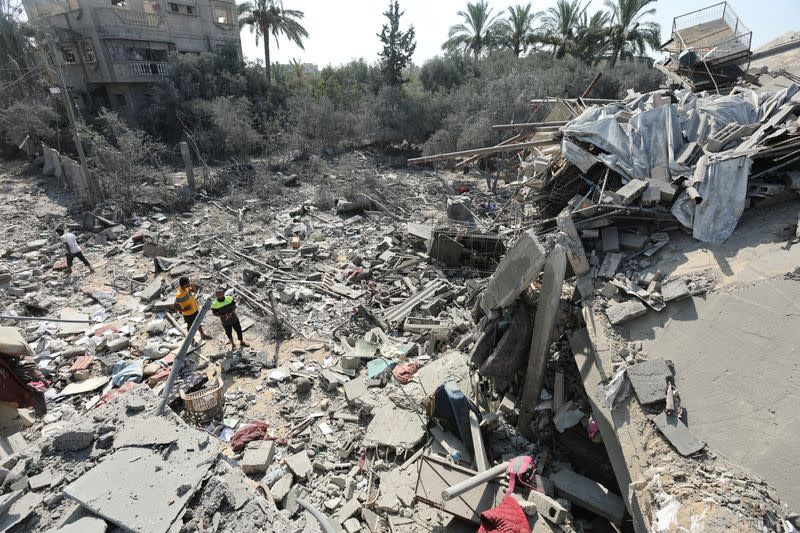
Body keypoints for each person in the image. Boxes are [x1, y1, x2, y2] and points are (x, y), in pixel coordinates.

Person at [173, 277, 211, 343]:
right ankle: (192, 340)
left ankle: (203, 335)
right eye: (188, 282)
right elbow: (175, 306)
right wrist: (184, 309)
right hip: (188, 314)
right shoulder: (179, 294)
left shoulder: (187, 289)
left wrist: (191, 285)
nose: (189, 283)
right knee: (190, 327)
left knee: (198, 323)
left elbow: (194, 291)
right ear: (184, 284)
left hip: (195, 309)